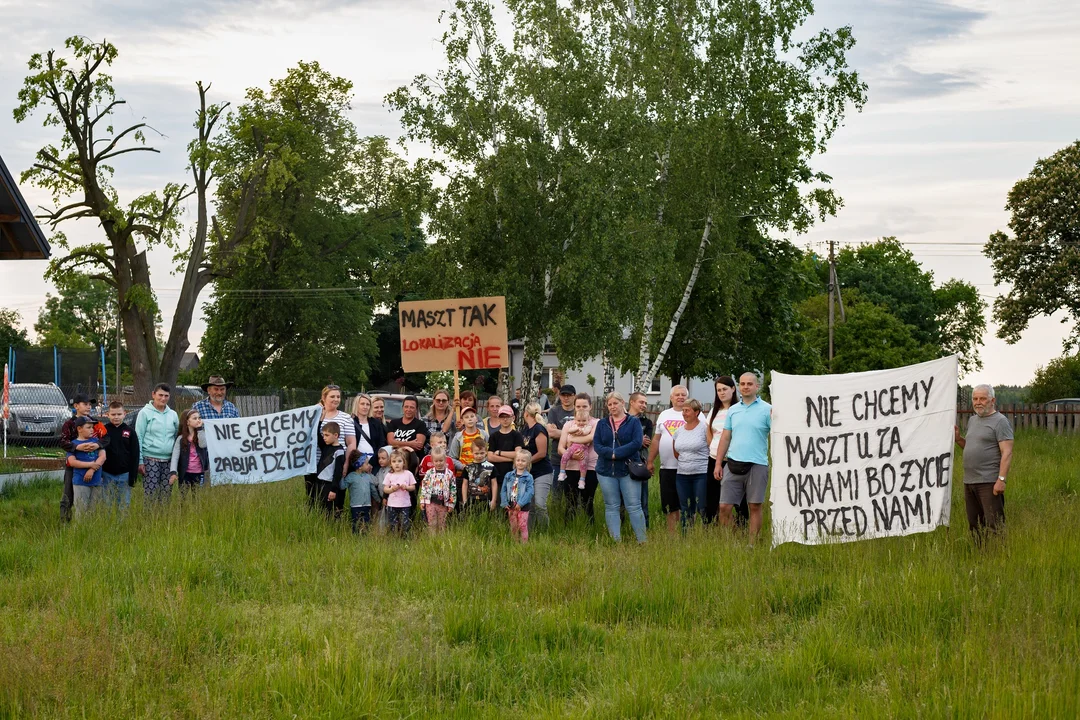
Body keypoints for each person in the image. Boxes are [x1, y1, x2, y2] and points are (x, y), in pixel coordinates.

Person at [714, 372, 772, 544]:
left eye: (749, 384)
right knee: (724, 507)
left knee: (754, 505)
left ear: (757, 386)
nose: (745, 386)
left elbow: (777, 435)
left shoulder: (767, 409)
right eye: (742, 384)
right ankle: (736, 540)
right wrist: (718, 463)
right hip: (733, 463)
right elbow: (725, 438)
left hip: (757, 464)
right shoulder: (733, 410)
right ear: (738, 386)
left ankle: (752, 544)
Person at [955, 384, 1013, 541]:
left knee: (994, 524)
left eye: (982, 398)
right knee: (974, 525)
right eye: (975, 399)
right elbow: (971, 446)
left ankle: (998, 557)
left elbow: (1006, 452)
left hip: (989, 482)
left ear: (992, 400)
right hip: (969, 481)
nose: (978, 402)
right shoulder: (973, 420)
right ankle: (980, 558)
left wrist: (1001, 480)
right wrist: (959, 439)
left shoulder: (1000, 421)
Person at [646, 385, 704, 535]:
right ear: (671, 398)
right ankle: (672, 535)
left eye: (683, 394)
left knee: (690, 503)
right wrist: (650, 461)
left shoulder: (699, 416)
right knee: (670, 504)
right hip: (667, 468)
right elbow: (656, 440)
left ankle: (689, 533)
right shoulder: (664, 415)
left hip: (692, 469)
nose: (680, 397)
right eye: (677, 395)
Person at [593, 391, 647, 543]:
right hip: (606, 471)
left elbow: (636, 443)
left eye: (615, 403)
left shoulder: (633, 422)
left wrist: (617, 453)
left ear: (623, 403)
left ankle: (642, 541)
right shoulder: (602, 424)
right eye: (609, 404)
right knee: (611, 506)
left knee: (634, 506)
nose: (612, 407)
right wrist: (611, 455)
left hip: (627, 470)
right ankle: (615, 541)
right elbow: (597, 444)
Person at [59, 392, 109, 522]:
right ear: (76, 406)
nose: (88, 407)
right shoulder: (69, 424)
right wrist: (76, 447)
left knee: (93, 500)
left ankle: (90, 525)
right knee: (68, 495)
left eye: (90, 405)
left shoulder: (95, 423)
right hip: (73, 466)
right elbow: (63, 442)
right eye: (85, 404)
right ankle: (65, 522)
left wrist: (97, 445)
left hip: (94, 464)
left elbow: (106, 438)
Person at [707, 377, 747, 525]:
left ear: (733, 389)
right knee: (714, 496)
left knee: (738, 498)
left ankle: (742, 525)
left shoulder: (740, 409)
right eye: (719, 390)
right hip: (715, 459)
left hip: (735, 459)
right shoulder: (714, 411)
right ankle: (716, 527)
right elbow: (709, 433)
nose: (722, 393)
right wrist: (716, 451)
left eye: (725, 389)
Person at [557, 393, 599, 520]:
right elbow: (560, 448)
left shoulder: (596, 423)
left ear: (590, 407)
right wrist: (571, 455)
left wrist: (572, 438)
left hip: (590, 468)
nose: (581, 409)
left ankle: (589, 530)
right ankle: (569, 531)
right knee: (571, 503)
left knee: (588, 502)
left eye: (584, 406)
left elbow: (591, 438)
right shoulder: (568, 425)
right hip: (570, 467)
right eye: (578, 406)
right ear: (574, 407)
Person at [136, 384, 180, 506]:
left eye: (166, 396)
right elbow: (139, 437)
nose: (163, 398)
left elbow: (176, 436)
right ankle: (149, 520)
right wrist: (140, 460)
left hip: (168, 460)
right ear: (153, 395)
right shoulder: (144, 413)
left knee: (166, 493)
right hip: (150, 458)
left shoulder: (173, 415)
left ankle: (163, 521)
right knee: (151, 494)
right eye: (160, 395)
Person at [673, 399, 709, 530]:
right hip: (682, 475)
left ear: (696, 412)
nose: (684, 413)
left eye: (687, 410)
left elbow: (711, 448)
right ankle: (686, 535)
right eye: (683, 410)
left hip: (701, 474)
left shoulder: (705, 428)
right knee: (685, 507)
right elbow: (676, 452)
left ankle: (706, 534)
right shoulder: (679, 431)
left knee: (701, 506)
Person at [520, 402, 554, 528]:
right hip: (529, 472)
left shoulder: (539, 429)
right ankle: (530, 532)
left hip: (542, 471)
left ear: (526, 413)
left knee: (540, 504)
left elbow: (541, 453)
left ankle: (545, 531)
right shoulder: (525, 430)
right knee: (530, 505)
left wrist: (525, 463)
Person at [100, 401, 137, 512]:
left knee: (124, 504)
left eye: (119, 414)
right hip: (107, 474)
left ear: (124, 414)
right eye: (113, 414)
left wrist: (133, 476)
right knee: (107, 504)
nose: (116, 417)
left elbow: (135, 454)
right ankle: (108, 525)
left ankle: (122, 526)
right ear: (108, 414)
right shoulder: (103, 431)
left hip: (124, 474)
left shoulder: (130, 432)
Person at [66, 417, 106, 518]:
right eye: (89, 427)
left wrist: (92, 469)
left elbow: (103, 456)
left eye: (92, 427)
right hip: (80, 482)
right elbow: (72, 462)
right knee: (81, 511)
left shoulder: (96, 441)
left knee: (95, 511)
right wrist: (90, 465)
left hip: (96, 481)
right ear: (79, 429)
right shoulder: (74, 444)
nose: (92, 430)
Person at [628, 392, 654, 528]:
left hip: (640, 464)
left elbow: (646, 442)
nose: (644, 405)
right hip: (623, 463)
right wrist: (637, 440)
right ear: (632, 402)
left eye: (645, 403)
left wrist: (631, 440)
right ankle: (623, 528)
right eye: (641, 402)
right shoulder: (622, 419)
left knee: (642, 499)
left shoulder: (647, 422)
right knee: (622, 500)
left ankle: (645, 529)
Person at [168, 408, 208, 493]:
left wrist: (200, 429)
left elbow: (203, 444)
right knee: (183, 497)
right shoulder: (181, 439)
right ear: (187, 422)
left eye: (199, 418)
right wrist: (173, 472)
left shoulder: (201, 434)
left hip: (199, 472)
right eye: (194, 418)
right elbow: (175, 456)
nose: (198, 420)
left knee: (197, 497)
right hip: (185, 473)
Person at [419, 447, 457, 534]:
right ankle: (432, 540)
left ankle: (441, 541)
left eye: (441, 460)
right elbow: (424, 487)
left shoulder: (449, 474)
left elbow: (453, 489)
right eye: (436, 461)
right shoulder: (429, 473)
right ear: (432, 461)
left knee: (442, 523)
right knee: (432, 523)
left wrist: (451, 504)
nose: (439, 463)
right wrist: (422, 501)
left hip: (443, 503)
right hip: (430, 502)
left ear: (445, 460)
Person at [342, 450, 381, 534]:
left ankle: (365, 536)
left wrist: (378, 499)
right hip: (356, 505)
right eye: (366, 464)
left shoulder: (368, 476)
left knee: (366, 522)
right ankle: (356, 536)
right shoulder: (351, 476)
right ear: (360, 466)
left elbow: (373, 487)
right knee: (356, 523)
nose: (368, 465)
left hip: (367, 505)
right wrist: (342, 476)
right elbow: (343, 486)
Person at [501, 448, 535, 543]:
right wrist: (504, 502)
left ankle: (524, 544)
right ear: (515, 461)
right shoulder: (508, 475)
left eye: (523, 461)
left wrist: (521, 503)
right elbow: (503, 489)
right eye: (518, 460)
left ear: (528, 463)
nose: (520, 463)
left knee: (523, 525)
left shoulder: (528, 477)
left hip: (523, 505)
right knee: (513, 526)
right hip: (511, 504)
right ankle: (515, 543)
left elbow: (530, 492)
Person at [313, 423, 346, 517]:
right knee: (320, 509)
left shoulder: (339, 451)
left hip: (329, 485)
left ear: (336, 435)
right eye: (323, 435)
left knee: (329, 511)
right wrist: (319, 420)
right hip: (320, 483)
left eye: (327, 435)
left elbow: (338, 472)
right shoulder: (326, 446)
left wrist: (333, 490)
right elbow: (318, 436)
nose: (324, 437)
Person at [386, 396, 428, 471]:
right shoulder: (393, 423)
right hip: (395, 462)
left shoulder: (421, 424)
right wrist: (410, 444)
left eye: (412, 407)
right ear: (402, 408)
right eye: (406, 407)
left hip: (412, 463)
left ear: (416, 409)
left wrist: (397, 444)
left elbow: (418, 446)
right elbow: (390, 442)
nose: (408, 410)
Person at [487, 405, 524, 488]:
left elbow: (518, 453)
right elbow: (490, 457)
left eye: (507, 416)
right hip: (497, 476)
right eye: (502, 417)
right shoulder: (494, 436)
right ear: (498, 419)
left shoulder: (516, 435)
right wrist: (510, 459)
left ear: (513, 418)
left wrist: (500, 453)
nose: (505, 419)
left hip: (513, 474)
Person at [383, 449, 417, 536]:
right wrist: (392, 489)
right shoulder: (389, 475)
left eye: (399, 461)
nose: (397, 463)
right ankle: (394, 539)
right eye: (394, 461)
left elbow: (413, 487)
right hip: (392, 504)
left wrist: (406, 487)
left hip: (405, 504)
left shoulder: (408, 474)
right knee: (392, 523)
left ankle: (405, 539)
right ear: (391, 463)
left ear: (404, 462)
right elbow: (385, 489)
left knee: (405, 523)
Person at [462, 436, 497, 512]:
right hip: (471, 499)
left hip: (486, 499)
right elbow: (465, 484)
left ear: (486, 452)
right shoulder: (468, 468)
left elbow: (494, 483)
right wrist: (464, 500)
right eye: (476, 453)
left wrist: (494, 500)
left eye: (482, 453)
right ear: (472, 452)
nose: (479, 456)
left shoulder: (491, 467)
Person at [351, 393, 387, 460]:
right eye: (362, 404)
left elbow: (381, 443)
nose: (365, 407)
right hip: (356, 462)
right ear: (357, 405)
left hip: (374, 460)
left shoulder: (376, 423)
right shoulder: (350, 422)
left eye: (368, 404)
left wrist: (373, 460)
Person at [422, 389, 456, 453]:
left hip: (448, 456)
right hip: (429, 456)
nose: (441, 403)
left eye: (444, 400)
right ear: (434, 401)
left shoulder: (453, 419)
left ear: (448, 402)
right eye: (438, 400)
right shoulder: (424, 420)